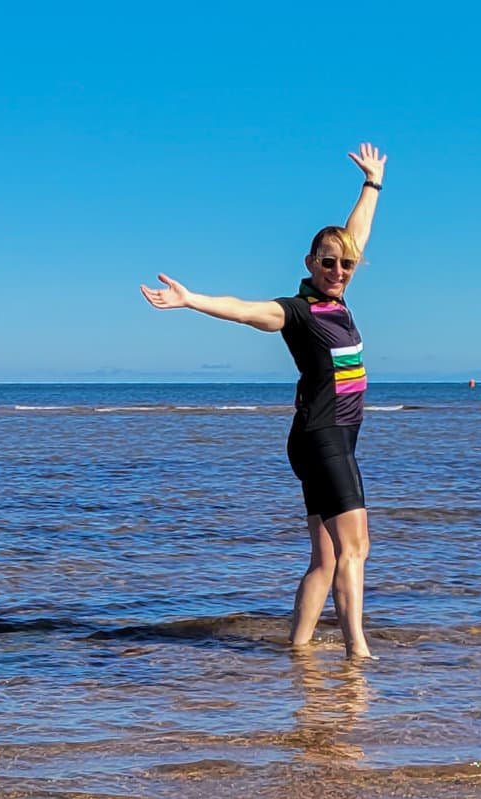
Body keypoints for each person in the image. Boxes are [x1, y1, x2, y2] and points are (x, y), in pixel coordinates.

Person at [140, 143, 386, 660]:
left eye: (345, 263)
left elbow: (355, 233)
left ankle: (297, 651)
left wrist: (372, 184)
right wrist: (191, 300)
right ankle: (357, 653)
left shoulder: (338, 297)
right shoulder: (297, 311)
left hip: (321, 438)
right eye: (329, 262)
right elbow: (244, 309)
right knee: (355, 549)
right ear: (310, 263)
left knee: (325, 559)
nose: (339, 269)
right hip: (325, 440)